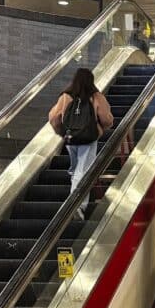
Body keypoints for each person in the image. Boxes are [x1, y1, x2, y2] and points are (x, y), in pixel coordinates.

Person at [48, 68, 114, 218]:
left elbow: (54, 117)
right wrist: (100, 129)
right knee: (83, 170)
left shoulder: (65, 96)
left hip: (71, 138)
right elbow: (106, 119)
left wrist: (62, 131)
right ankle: (76, 206)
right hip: (88, 138)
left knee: (75, 169)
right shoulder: (96, 97)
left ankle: (74, 199)